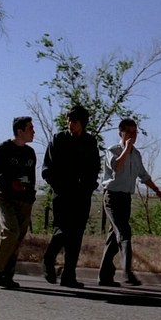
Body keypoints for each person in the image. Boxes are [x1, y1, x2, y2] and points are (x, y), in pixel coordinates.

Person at [97, 118, 161, 287]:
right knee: (124, 233)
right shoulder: (113, 150)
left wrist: (156, 190)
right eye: (128, 132)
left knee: (114, 239)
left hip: (125, 199)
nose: (132, 135)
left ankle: (104, 276)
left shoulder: (136, 155)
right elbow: (117, 167)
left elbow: (143, 175)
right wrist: (126, 149)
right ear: (120, 133)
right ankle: (127, 272)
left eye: (134, 132)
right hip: (112, 197)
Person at [40, 105, 101, 288]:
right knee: (62, 231)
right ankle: (49, 259)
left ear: (82, 123)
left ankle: (69, 275)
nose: (70, 124)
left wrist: (89, 187)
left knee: (76, 235)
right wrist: (58, 185)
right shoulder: (59, 139)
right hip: (63, 194)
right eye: (68, 120)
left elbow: (94, 167)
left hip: (82, 196)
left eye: (74, 121)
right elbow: (47, 168)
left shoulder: (90, 142)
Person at [0, 116, 37, 289]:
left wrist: (30, 194)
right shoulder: (3, 149)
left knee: (18, 237)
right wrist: (7, 182)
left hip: (25, 200)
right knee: (11, 231)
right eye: (30, 128)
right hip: (6, 197)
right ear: (20, 131)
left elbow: (31, 176)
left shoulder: (30, 153)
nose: (33, 132)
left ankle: (7, 274)